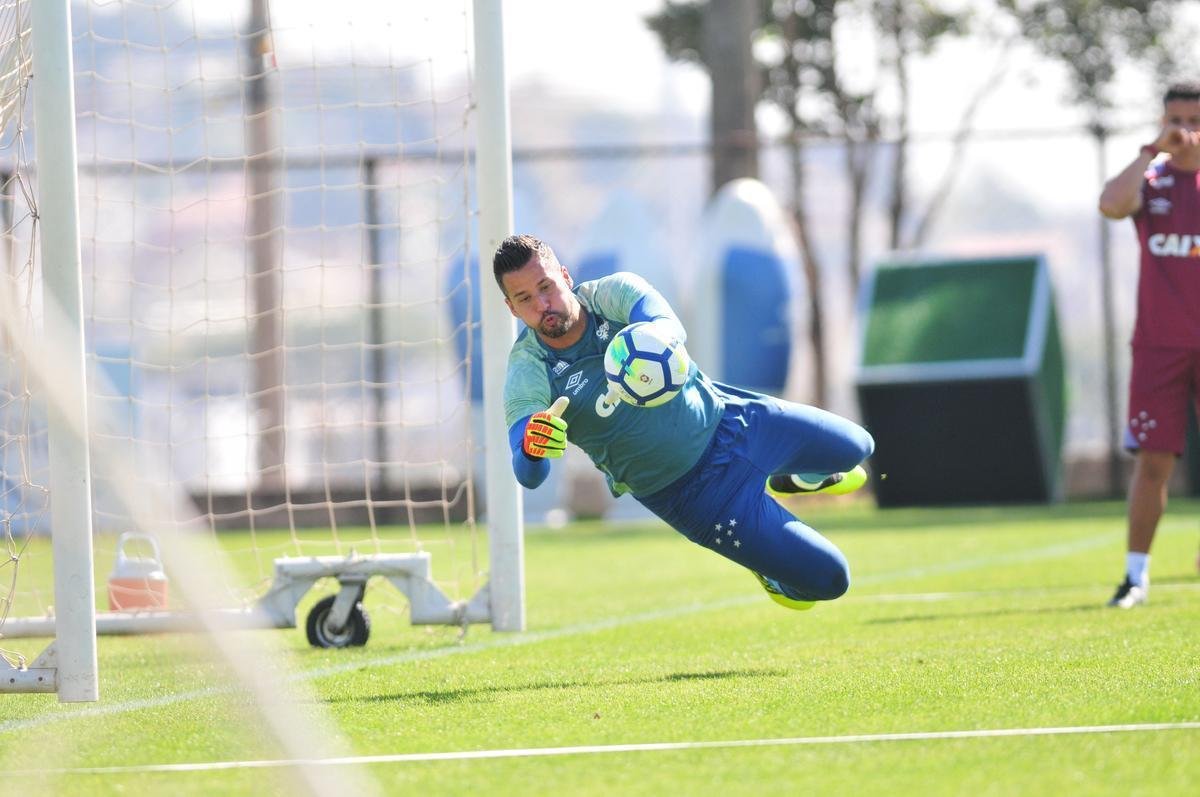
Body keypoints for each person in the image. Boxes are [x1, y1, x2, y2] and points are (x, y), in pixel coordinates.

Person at [494, 233, 874, 611]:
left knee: (858, 447)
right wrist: (531, 447)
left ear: (564, 275)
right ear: (512, 309)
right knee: (831, 579)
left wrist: (650, 343)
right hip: (696, 497)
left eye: (546, 286)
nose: (543, 304)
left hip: (734, 421)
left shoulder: (611, 295)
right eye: (525, 298)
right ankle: (772, 575)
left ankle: (786, 477)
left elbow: (668, 325)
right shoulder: (528, 369)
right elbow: (528, 473)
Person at [1098, 81, 1200, 608]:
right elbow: (1111, 205)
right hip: (1159, 346)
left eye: (1193, 119)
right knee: (1154, 462)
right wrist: (1148, 152)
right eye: (1174, 118)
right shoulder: (1153, 179)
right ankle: (1135, 577)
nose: (1183, 129)